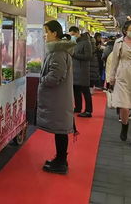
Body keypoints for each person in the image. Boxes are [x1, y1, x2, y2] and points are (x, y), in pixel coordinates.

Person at [37, 20, 76, 174]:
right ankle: (59, 159)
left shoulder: (59, 52)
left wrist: (42, 80)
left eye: (46, 32)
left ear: (54, 33)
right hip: (59, 98)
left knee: (61, 131)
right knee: (60, 130)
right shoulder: (57, 50)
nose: (44, 35)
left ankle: (61, 162)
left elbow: (56, 75)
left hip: (58, 99)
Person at [69, 26, 93, 118]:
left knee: (85, 91)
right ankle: (78, 107)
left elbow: (88, 56)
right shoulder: (73, 43)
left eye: (73, 34)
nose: (72, 36)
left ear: (78, 33)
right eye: (71, 35)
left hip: (83, 71)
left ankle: (88, 110)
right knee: (76, 91)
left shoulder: (86, 42)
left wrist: (74, 55)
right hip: (74, 70)